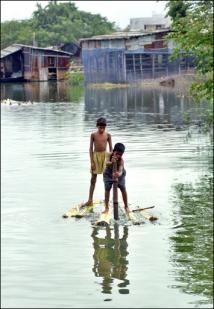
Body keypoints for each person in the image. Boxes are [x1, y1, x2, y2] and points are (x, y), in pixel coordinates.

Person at [83, 117, 113, 206]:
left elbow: (111, 148)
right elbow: (90, 148)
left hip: (105, 157)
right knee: (93, 179)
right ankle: (90, 199)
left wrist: (110, 159)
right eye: (100, 127)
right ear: (97, 126)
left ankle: (106, 201)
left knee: (106, 179)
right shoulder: (93, 135)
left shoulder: (108, 135)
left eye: (103, 128)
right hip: (96, 156)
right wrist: (91, 162)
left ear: (105, 127)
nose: (101, 129)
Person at [103, 142, 130, 214]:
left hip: (119, 174)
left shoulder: (121, 160)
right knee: (107, 188)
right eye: (117, 153)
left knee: (123, 188)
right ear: (114, 151)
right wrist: (111, 162)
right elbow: (106, 163)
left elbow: (121, 170)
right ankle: (106, 207)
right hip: (108, 173)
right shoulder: (109, 154)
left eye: (120, 154)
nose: (118, 156)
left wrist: (119, 174)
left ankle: (126, 206)